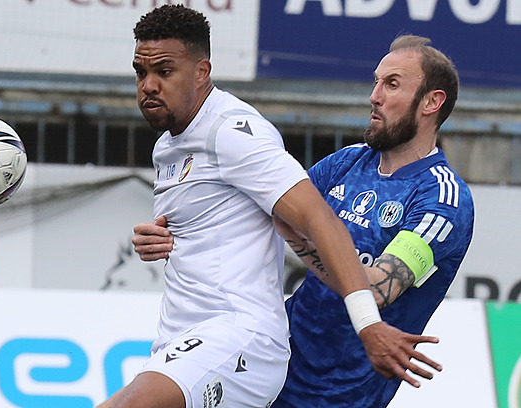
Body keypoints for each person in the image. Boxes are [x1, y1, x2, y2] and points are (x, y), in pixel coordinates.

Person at [104, 6, 441, 408]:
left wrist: (367, 323)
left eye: (164, 71)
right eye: (141, 73)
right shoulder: (168, 146)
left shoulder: (231, 132)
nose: (149, 85)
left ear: (201, 71)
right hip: (180, 337)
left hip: (238, 339)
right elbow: (224, 220)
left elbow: (318, 217)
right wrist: (161, 237)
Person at [269, 35, 475, 407]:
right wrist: (178, 233)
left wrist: (302, 240)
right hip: (268, 365)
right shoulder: (346, 162)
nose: (374, 96)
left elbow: (378, 291)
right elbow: (263, 209)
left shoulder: (443, 199)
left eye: (391, 84)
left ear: (432, 101)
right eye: (376, 82)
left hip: (338, 396)